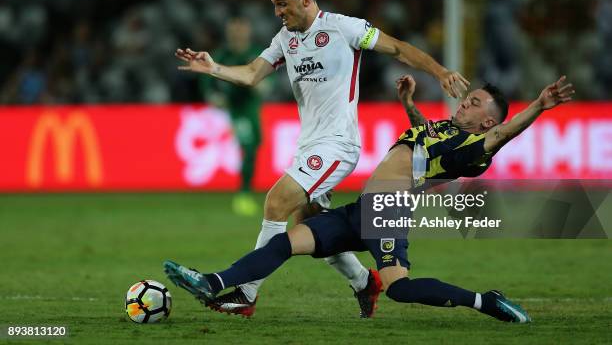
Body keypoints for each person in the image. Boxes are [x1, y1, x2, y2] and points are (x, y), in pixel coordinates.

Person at [175, 0, 469, 317]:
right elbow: (253, 73)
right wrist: (214, 69)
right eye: (274, 6)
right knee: (310, 223)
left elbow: (398, 48)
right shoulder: (286, 38)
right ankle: (364, 282)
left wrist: (440, 72)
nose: (278, 13)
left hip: (338, 143)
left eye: (282, 4)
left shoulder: (344, 27)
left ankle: (246, 293)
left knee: (276, 202)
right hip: (309, 144)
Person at [164, 75, 574, 322]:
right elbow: (421, 136)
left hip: (388, 211)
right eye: (468, 96)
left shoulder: (474, 147)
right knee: (286, 242)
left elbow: (502, 135)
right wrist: (408, 104)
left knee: (400, 288)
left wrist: (539, 105)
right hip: (361, 209)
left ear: (487, 121)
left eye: (475, 103)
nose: (465, 101)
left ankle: (486, 301)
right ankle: (213, 282)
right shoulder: (441, 130)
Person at [200, 17, 265, 216]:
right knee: (248, 146)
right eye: (234, 31)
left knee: (256, 145)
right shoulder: (222, 55)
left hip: (253, 108)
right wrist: (213, 96)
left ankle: (245, 192)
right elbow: (207, 80)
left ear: (247, 32)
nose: (237, 35)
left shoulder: (256, 53)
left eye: (240, 30)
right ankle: (243, 195)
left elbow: (272, 77)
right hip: (236, 109)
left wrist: (266, 86)